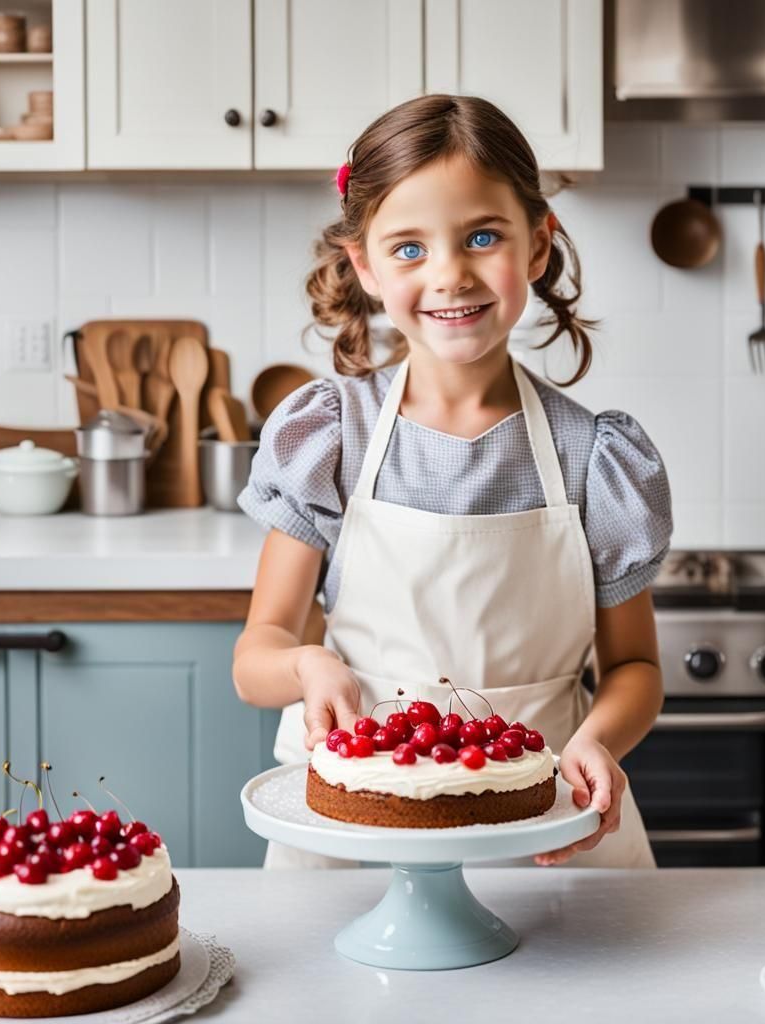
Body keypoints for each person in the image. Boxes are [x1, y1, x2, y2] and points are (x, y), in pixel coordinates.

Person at [233, 94, 672, 869]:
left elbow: (634, 667)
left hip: (548, 827)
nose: (450, 274)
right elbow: (257, 652)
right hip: (357, 833)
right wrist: (307, 664)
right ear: (363, 265)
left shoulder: (593, 454)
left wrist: (597, 740)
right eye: (408, 248)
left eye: (481, 236)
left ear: (537, 246)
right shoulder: (332, 435)